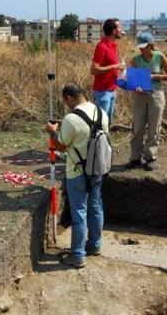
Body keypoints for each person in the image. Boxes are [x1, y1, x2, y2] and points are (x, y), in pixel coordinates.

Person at [46, 83, 109, 268]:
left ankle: (78, 256)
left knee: (79, 214)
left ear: (68, 98)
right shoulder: (101, 112)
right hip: (98, 169)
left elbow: (62, 146)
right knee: (96, 205)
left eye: (65, 101)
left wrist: (52, 132)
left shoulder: (71, 119)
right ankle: (95, 246)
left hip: (77, 173)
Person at [126, 33, 167, 171]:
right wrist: (135, 87)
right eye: (140, 47)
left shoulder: (160, 57)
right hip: (140, 96)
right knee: (138, 127)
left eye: (144, 47)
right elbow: (132, 79)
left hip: (156, 95)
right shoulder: (136, 60)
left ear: (151, 45)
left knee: (154, 127)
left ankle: (151, 157)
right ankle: (135, 157)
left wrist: (154, 76)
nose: (141, 49)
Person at [90, 18, 126, 123]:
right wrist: (115, 66)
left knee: (107, 123)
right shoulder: (102, 47)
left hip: (111, 89)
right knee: (100, 124)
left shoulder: (113, 46)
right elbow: (93, 69)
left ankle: (104, 139)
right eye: (119, 27)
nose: (121, 29)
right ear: (114, 31)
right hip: (103, 91)